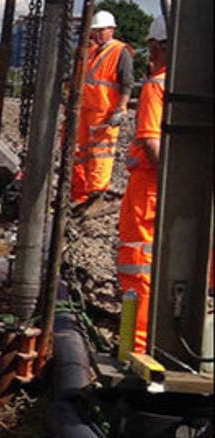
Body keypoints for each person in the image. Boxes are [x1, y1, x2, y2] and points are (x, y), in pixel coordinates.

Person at [116, 15, 168, 357]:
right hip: (167, 191)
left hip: (149, 194)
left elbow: (151, 143)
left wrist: (174, 184)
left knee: (139, 267)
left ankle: (136, 349)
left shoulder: (157, 85)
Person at [71, 9, 134, 207]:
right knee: (79, 154)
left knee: (100, 155)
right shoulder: (91, 51)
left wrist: (120, 108)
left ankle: (96, 195)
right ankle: (79, 195)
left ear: (111, 30)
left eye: (100, 30)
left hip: (104, 113)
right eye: (94, 31)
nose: (95, 34)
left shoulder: (120, 51)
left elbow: (127, 83)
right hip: (85, 111)